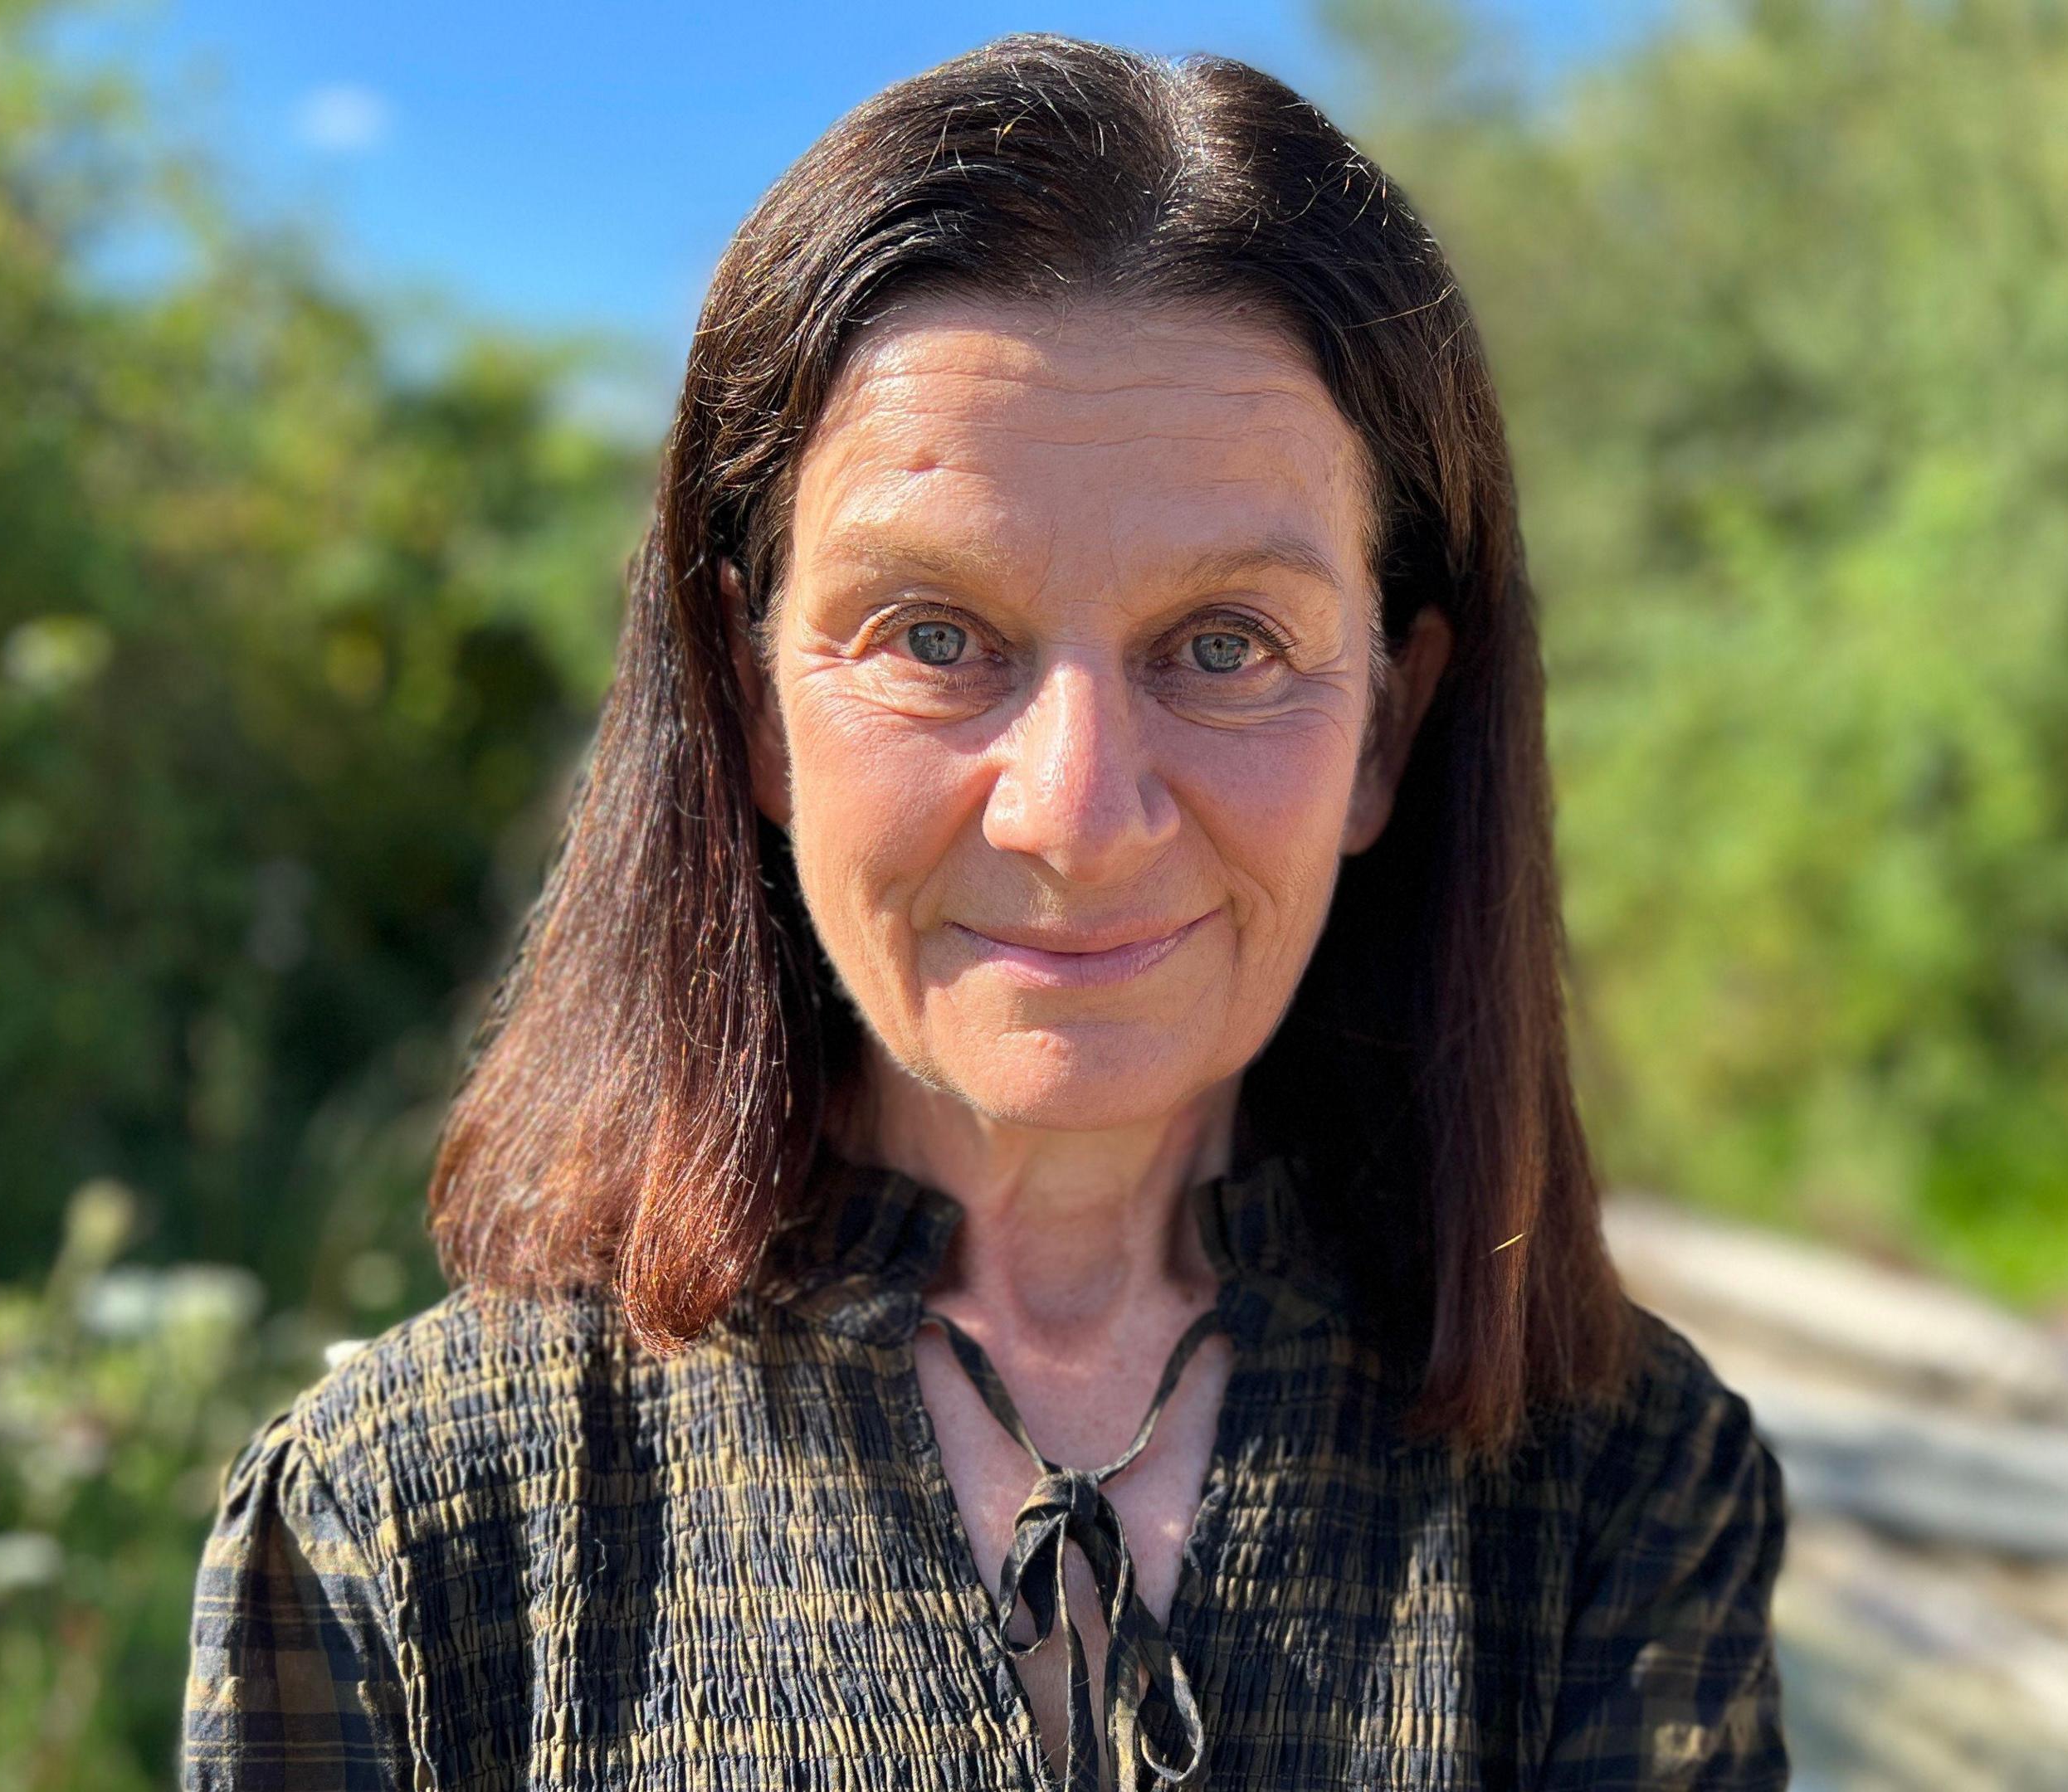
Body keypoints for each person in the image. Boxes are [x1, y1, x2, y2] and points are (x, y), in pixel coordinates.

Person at [181, 32, 1787, 1792]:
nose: (1077, 816)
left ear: (1386, 732)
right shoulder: (414, 1529)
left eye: (1226, 646)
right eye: (936, 637)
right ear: (748, 695)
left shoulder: (1619, 1504)